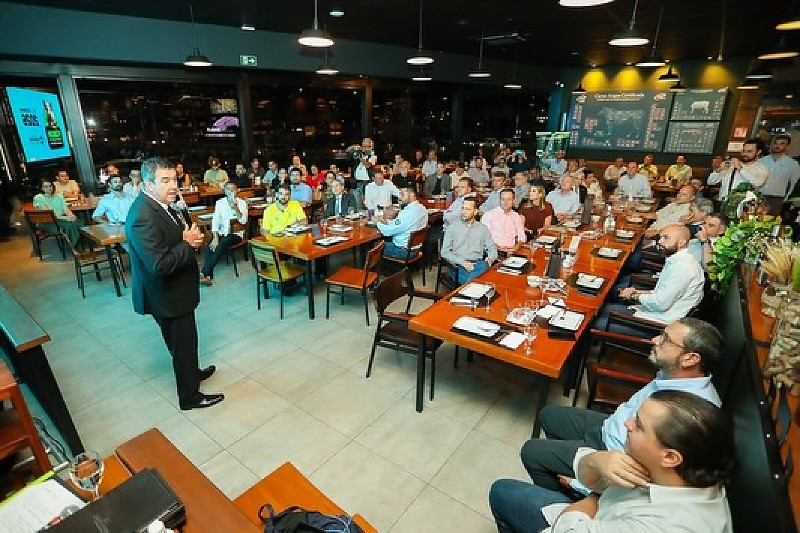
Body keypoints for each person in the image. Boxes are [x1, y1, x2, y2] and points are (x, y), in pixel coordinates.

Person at [517, 316, 723, 495]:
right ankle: (567, 459)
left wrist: (585, 485)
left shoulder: (690, 413)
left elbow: (650, 473)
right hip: (612, 426)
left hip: (615, 452)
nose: (655, 340)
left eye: (666, 339)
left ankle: (566, 500)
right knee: (548, 415)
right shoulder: (675, 374)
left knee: (532, 452)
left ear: (690, 358)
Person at [492, 389, 733, 533]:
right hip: (598, 512)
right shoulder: (680, 472)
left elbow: (566, 527)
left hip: (581, 518)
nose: (628, 424)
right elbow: (591, 474)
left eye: (639, 425)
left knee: (501, 491)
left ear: (670, 457)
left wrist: (594, 499)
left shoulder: (666, 526)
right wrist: (596, 460)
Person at [125, 157, 223, 410]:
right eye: (165, 180)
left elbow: (173, 239)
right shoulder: (142, 216)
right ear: (148, 184)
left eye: (175, 179)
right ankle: (189, 397)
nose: (173, 186)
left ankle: (191, 372)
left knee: (184, 344)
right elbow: (159, 265)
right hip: (165, 295)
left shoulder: (161, 205)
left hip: (175, 290)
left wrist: (190, 240)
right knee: (183, 345)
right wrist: (187, 244)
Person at [599, 225, 705, 328]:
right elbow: (660, 293)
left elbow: (660, 304)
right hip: (653, 313)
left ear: (681, 243)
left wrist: (633, 296)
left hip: (658, 324)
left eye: (666, 238)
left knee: (596, 321)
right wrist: (636, 292)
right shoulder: (679, 260)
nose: (660, 241)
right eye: (661, 237)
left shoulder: (683, 267)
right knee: (603, 309)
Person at [199, 182, 248, 286]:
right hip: (222, 232)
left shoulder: (242, 203)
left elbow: (243, 221)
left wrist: (236, 208)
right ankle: (208, 277)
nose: (230, 191)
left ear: (237, 191)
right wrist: (215, 237)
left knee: (224, 242)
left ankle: (204, 273)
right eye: (228, 189)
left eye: (233, 189)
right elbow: (215, 220)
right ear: (224, 191)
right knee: (210, 245)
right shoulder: (220, 203)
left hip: (236, 234)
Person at [441, 196, 497, 284]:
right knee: (483, 278)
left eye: (467, 209)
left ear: (475, 212)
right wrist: (463, 262)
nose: (463, 212)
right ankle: (472, 285)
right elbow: (445, 252)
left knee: (483, 266)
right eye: (463, 208)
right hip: (458, 266)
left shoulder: (483, 228)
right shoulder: (452, 227)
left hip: (477, 264)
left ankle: (470, 286)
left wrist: (490, 258)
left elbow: (491, 247)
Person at [374, 186, 428, 259]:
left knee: (374, 245)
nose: (399, 197)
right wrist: (388, 222)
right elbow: (402, 224)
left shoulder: (407, 213)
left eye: (402, 194)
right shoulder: (423, 208)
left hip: (403, 251)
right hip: (417, 248)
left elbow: (387, 232)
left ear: (412, 195)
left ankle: (368, 266)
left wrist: (377, 222)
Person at [759, 134, 800, 214]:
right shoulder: (761, 161)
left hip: (777, 199)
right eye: (775, 143)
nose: (777, 146)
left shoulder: (792, 164)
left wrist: (786, 199)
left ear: (787, 146)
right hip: (759, 197)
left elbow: (794, 184)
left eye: (782, 143)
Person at [32, 179, 80, 245]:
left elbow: (66, 209)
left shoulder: (59, 196)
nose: (49, 188)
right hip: (47, 222)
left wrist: (71, 216)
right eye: (46, 187)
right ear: (41, 188)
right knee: (69, 225)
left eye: (50, 186)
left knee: (76, 222)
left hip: (61, 220)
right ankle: (72, 246)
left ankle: (71, 245)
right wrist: (66, 218)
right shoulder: (38, 198)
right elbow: (49, 215)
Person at [482, 189, 527, 254]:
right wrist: (502, 249)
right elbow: (485, 240)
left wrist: (515, 248)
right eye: (503, 199)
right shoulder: (489, 216)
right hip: (494, 252)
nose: (505, 202)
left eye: (509, 199)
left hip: (512, 251)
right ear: (499, 200)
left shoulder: (516, 216)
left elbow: (521, 236)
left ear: (514, 201)